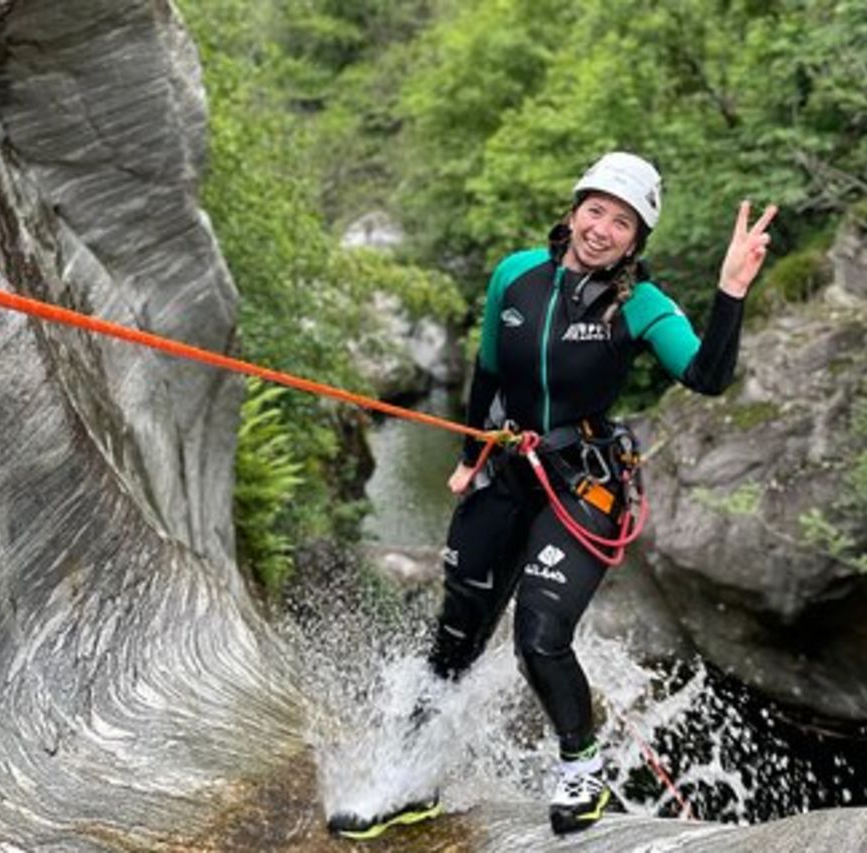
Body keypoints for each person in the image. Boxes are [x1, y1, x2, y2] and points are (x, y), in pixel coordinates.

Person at [329, 152, 775, 839]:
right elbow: (485, 372)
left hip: (582, 484)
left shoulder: (641, 304)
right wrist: (468, 455)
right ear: (574, 209)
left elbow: (707, 375)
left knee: (540, 639)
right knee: (454, 634)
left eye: (621, 221)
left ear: (636, 240)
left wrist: (731, 292)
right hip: (506, 470)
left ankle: (582, 770)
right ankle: (409, 780)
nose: (602, 227)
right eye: (595, 209)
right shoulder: (516, 276)